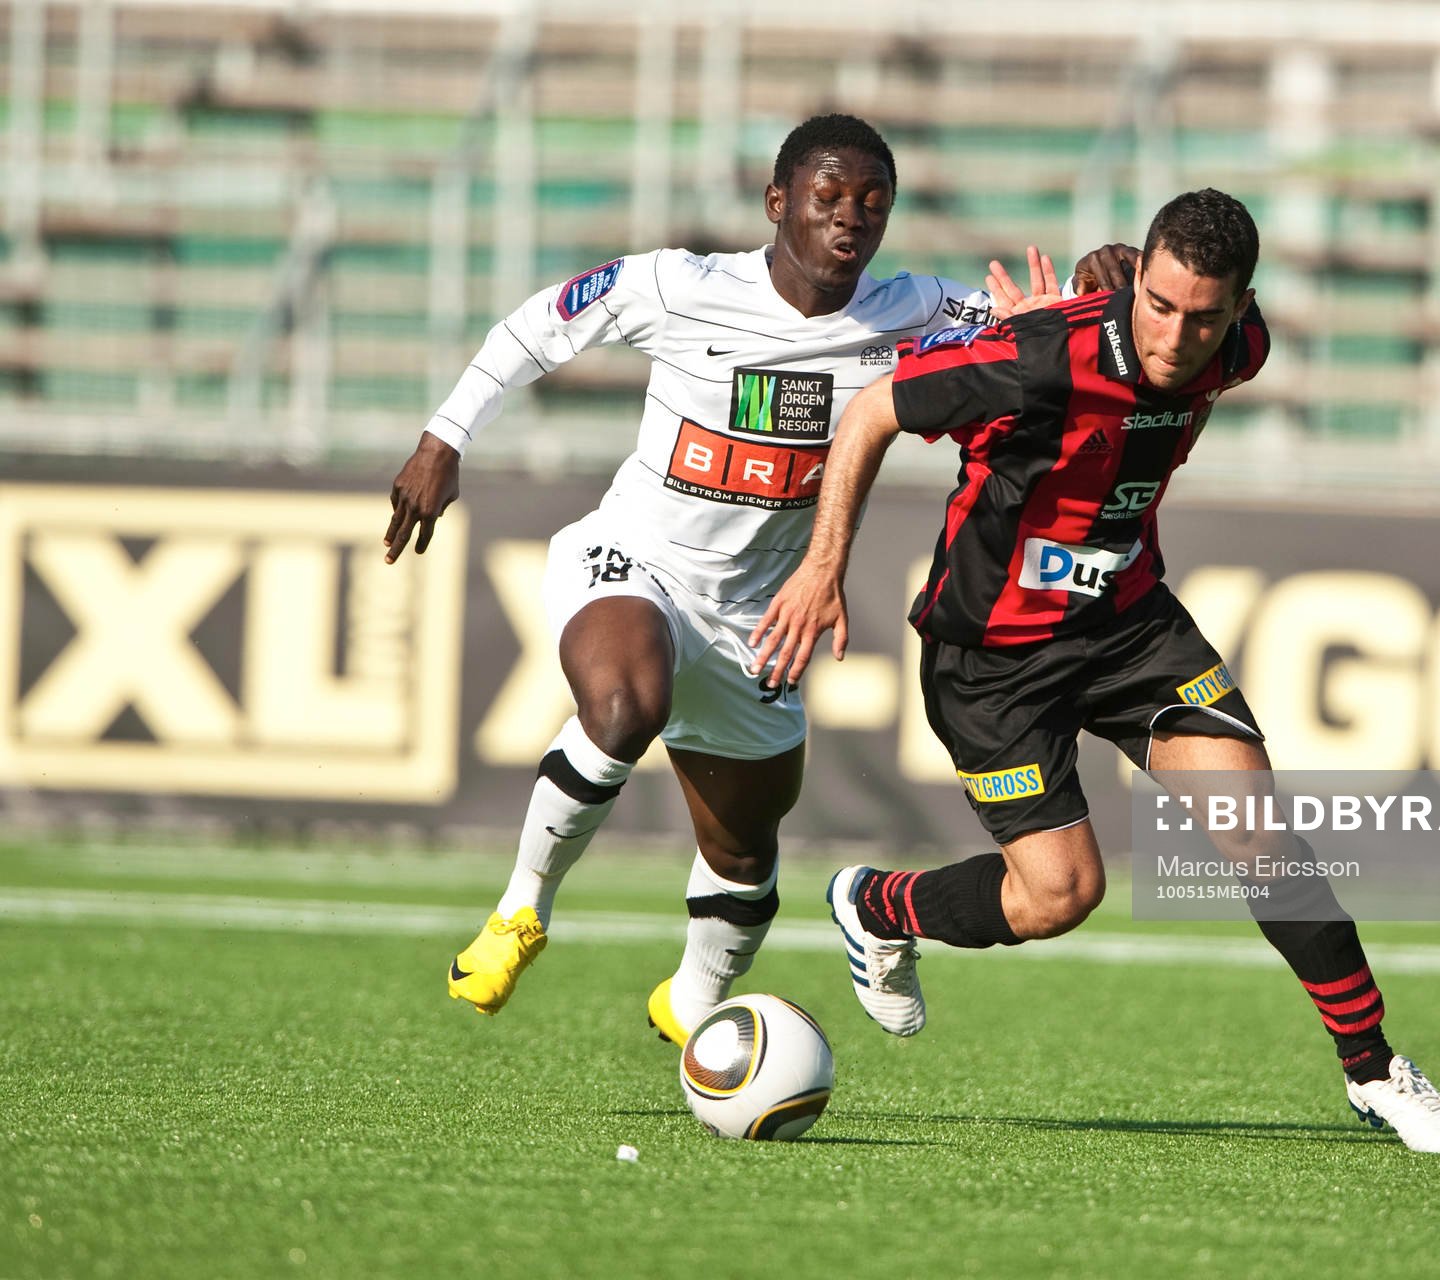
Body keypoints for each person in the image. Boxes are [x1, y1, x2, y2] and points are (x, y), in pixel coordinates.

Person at [381, 113, 1127, 1045]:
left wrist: (1100, 286)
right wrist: (442, 439)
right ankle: (520, 910)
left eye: (872, 205)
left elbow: (1055, 331)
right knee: (623, 708)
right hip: (637, 559)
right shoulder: (676, 283)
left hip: (760, 615)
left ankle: (689, 1009)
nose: (848, 219)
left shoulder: (917, 311)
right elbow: (540, 324)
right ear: (778, 203)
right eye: (826, 198)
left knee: (741, 860)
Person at [750, 188, 1440, 1154]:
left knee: (1261, 835)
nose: (1177, 336)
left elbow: (1177, 395)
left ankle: (1374, 1069)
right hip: (992, 659)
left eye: (1203, 316)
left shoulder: (1240, 349)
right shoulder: (1040, 357)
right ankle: (877, 906)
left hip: (1129, 629)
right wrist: (822, 565)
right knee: (1059, 897)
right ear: (1141, 289)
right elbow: (877, 408)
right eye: (1159, 307)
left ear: (1239, 308)